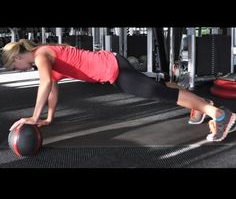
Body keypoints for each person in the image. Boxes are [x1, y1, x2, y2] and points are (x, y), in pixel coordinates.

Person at [2, 39, 236, 142]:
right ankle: (200, 103)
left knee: (159, 93)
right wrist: (48, 118)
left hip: (112, 69)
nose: (19, 70)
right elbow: (51, 88)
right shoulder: (46, 57)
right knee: (159, 87)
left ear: (19, 56)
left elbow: (43, 84)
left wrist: (33, 117)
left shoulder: (41, 55)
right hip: (113, 66)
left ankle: (220, 115)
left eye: (15, 65)